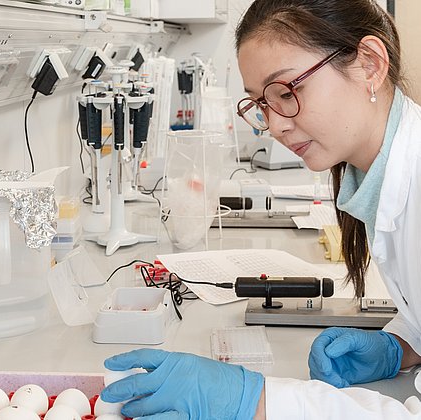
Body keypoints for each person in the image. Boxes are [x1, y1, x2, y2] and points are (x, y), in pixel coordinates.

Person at [100, 0, 421, 418]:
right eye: (261, 104)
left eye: (287, 92)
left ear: (370, 65)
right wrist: (404, 343)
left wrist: (256, 402)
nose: (275, 125)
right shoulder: (377, 174)